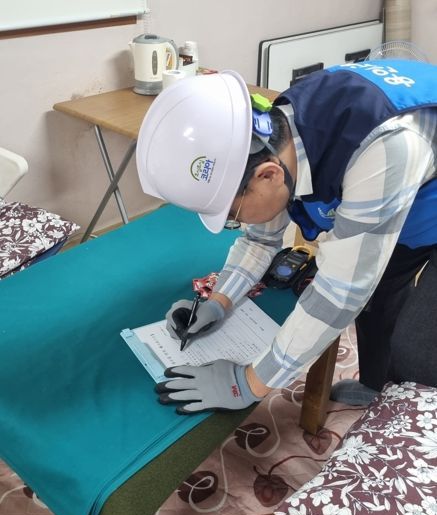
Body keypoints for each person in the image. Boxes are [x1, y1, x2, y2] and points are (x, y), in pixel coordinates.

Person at [136, 59, 437, 414]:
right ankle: (376, 385)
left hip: (411, 180)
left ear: (268, 176)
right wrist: (218, 301)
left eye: (233, 215)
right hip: (401, 201)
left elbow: (340, 292)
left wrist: (247, 382)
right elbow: (261, 240)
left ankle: (410, 415)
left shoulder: (385, 148)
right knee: (377, 301)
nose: (237, 222)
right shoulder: (276, 138)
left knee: (417, 350)